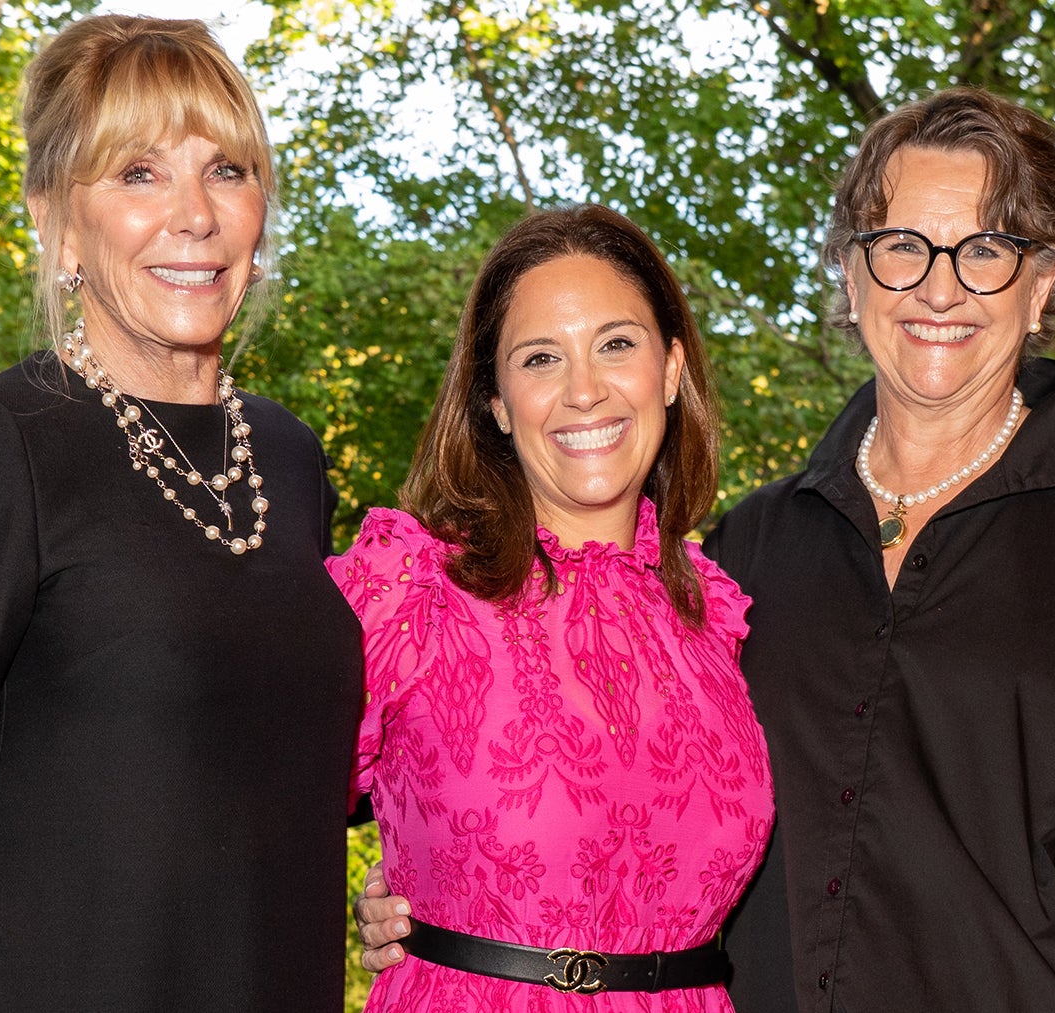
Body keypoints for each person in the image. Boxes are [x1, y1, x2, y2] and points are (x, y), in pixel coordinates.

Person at [358, 89, 1055, 1012]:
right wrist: (437, 900)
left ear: (1042, 285)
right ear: (853, 276)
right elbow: (614, 795)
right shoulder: (740, 556)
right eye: (901, 247)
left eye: (986, 250)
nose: (939, 288)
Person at [0, 16, 361, 1012]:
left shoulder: (288, 456)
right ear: (59, 220)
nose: (192, 215)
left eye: (226, 170)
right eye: (139, 174)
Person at [326, 204, 773, 1010]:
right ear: (496, 402)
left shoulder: (715, 615)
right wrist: (371, 895)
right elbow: (239, 801)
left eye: (616, 343)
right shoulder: (411, 587)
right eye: (539, 358)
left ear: (670, 370)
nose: (584, 389)